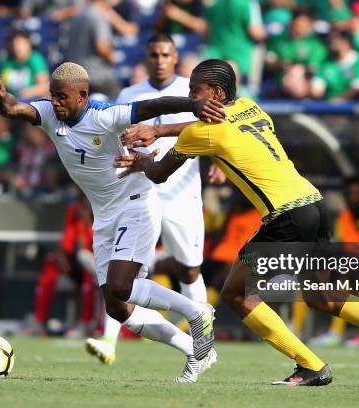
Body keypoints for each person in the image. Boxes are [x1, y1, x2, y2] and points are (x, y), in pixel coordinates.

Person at [115, 59, 359, 387]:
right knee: (322, 296)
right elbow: (211, 127)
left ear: (217, 92)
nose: (191, 96)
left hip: (286, 217)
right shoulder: (251, 107)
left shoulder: (203, 132)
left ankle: (310, 365)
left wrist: (141, 160)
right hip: (314, 203)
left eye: (196, 91)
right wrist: (160, 130)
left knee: (236, 294)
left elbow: (159, 173)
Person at [0, 62, 225, 382]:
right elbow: (12, 108)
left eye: (63, 97)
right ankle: (195, 350)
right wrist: (0, 97)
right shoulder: (50, 113)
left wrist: (193, 105)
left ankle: (197, 312)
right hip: (104, 215)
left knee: (122, 286)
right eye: (53, 96)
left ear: (82, 96)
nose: (55, 103)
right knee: (116, 306)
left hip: (136, 204)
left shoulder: (104, 116)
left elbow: (152, 106)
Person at [85, 34, 225, 373]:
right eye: (154, 54)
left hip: (182, 192)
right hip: (139, 190)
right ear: (146, 58)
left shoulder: (192, 91)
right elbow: (120, 137)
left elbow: (218, 126)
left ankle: (203, 342)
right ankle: (109, 340)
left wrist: (217, 158)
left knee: (189, 269)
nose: (160, 60)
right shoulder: (130, 95)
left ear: (175, 57)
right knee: (123, 275)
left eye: (166, 54)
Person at [308, 176, 359, 348]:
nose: (352, 196)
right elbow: (341, 247)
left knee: (358, 277)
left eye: (355, 192)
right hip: (354, 265)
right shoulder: (344, 217)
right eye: (348, 193)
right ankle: (325, 332)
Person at [31, 194, 99, 337]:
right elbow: (67, 243)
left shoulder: (106, 211)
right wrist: (61, 255)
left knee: (88, 267)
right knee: (52, 262)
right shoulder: (76, 213)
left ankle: (86, 323)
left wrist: (87, 221)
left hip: (103, 264)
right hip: (81, 264)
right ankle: (39, 320)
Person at [0, 29, 50, 99]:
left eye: (21, 43)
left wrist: (25, 93)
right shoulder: (7, 61)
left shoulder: (35, 59)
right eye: (15, 44)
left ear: (29, 44)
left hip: (31, 100)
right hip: (10, 101)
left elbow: (44, 86)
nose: (17, 47)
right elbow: (0, 85)